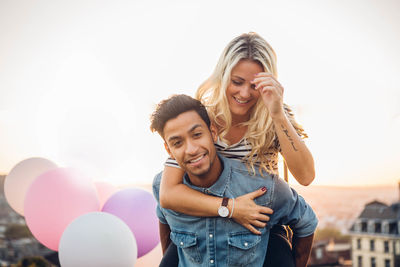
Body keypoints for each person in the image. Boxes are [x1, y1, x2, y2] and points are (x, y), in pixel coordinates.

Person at [159, 32, 315, 266]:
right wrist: (231, 208)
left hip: (260, 228)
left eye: (255, 86)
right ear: (223, 77)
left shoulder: (277, 118)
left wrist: (276, 113)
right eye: (237, 82)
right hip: (204, 222)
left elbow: (306, 176)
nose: (244, 94)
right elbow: (169, 193)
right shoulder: (201, 118)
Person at [150, 94, 318, 267]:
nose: (191, 149)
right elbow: (166, 222)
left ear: (213, 133)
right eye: (177, 143)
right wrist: (230, 208)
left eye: (197, 135)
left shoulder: (261, 188)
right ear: (168, 149)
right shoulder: (162, 186)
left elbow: (306, 221)